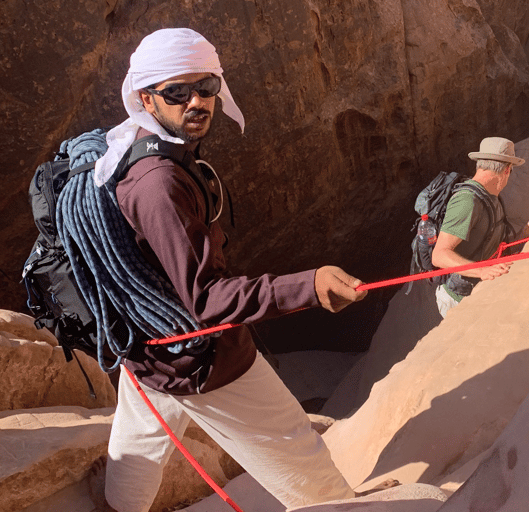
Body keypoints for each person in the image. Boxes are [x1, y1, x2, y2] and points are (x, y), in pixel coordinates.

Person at [86, 28, 376, 512]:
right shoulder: (157, 182)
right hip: (202, 356)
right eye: (177, 92)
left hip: (148, 346)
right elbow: (206, 300)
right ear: (145, 96)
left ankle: (117, 506)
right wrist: (308, 284)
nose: (196, 101)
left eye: (207, 87)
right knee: (301, 459)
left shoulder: (135, 145)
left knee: (140, 444)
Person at [431, 137, 529, 318]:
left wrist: (527, 231)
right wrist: (481, 270)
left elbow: (494, 247)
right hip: (459, 298)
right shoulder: (467, 201)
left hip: (480, 290)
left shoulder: (491, 198)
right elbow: (439, 255)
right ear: (507, 170)